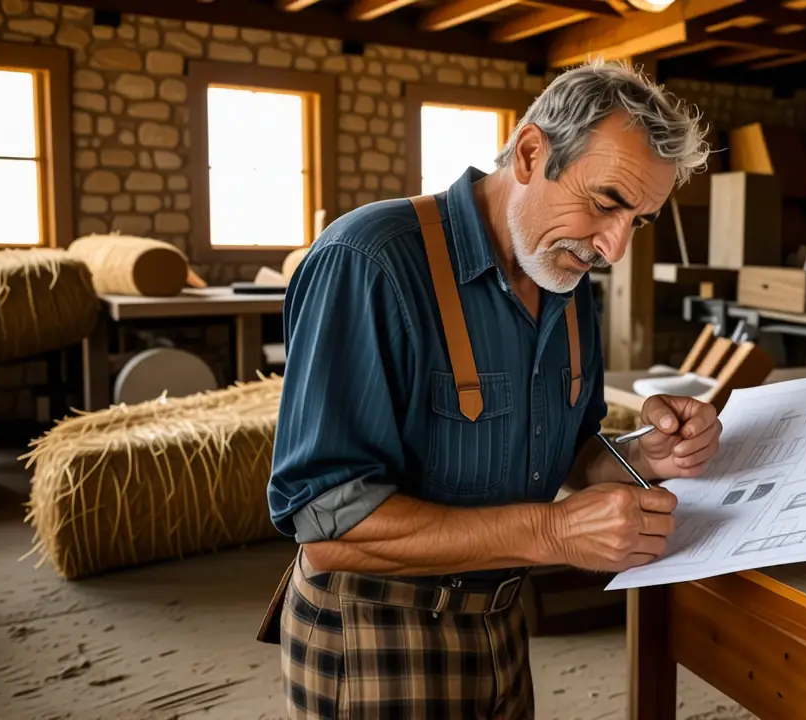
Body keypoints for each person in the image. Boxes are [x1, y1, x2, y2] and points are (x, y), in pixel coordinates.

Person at [262, 58, 721, 719]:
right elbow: (324, 522)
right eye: (606, 203)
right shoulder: (370, 261)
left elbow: (563, 454)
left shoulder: (565, 278)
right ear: (532, 152)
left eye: (639, 221)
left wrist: (642, 456)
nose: (615, 247)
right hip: (373, 629)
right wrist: (553, 534)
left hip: (500, 624)